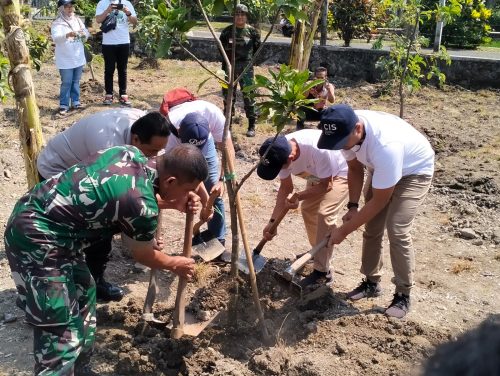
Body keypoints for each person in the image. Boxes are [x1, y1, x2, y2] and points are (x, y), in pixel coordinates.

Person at [5, 144, 207, 375]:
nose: (188, 195)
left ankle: (81, 369)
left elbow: (122, 198)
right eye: (187, 190)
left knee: (84, 290)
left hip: (46, 224)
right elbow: (142, 253)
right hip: (38, 239)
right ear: (170, 181)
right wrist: (176, 263)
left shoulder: (129, 153)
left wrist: (172, 203)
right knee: (60, 330)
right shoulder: (141, 205)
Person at [37, 108, 170, 302]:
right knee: (90, 229)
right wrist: (143, 240)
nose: (154, 157)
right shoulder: (107, 143)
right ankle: (60, 291)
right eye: (152, 151)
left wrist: (145, 235)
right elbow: (122, 201)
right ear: (136, 140)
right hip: (58, 170)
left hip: (86, 174)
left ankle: (94, 281)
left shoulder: (148, 124)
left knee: (100, 230)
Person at [317, 104, 435, 318]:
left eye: (342, 143)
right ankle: (371, 282)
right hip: (380, 168)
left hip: (414, 171)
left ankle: (403, 294)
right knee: (372, 227)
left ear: (358, 130)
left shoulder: (385, 146)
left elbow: (380, 201)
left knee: (397, 229)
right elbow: (354, 168)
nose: (340, 147)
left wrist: (343, 230)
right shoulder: (344, 128)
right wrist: (353, 206)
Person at [257, 130, 348, 288]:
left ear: (290, 158)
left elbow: (327, 185)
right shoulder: (279, 149)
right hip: (317, 175)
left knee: (324, 214)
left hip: (340, 173)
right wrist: (272, 222)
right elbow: (285, 189)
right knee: (308, 210)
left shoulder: (318, 149)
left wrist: (299, 196)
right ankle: (318, 252)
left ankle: (323, 272)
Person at [162, 99, 236, 249]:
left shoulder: (213, 115)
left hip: (204, 139)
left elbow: (228, 150)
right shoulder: (168, 134)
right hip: (178, 144)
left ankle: (217, 243)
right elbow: (178, 177)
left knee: (214, 190)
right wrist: (184, 197)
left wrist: (221, 181)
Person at [219, 3, 261, 137]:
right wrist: (228, 63)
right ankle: (228, 125)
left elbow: (257, 49)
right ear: (233, 16)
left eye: (242, 14)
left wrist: (249, 62)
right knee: (228, 96)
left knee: (249, 95)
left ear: (246, 16)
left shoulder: (253, 32)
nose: (240, 17)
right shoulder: (227, 31)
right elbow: (221, 49)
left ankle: (252, 125)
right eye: (237, 14)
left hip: (246, 67)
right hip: (229, 67)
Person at [51, 0, 90, 116]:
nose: (70, 9)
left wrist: (84, 35)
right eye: (67, 7)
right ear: (61, 9)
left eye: (71, 6)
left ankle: (75, 102)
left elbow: (86, 33)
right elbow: (56, 38)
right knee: (66, 82)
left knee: (76, 81)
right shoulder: (57, 23)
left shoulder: (77, 20)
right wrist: (67, 35)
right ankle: (64, 105)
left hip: (78, 56)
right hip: (65, 58)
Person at [95, 0, 137, 106]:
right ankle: (109, 94)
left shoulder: (126, 2)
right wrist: (107, 11)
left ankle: (123, 94)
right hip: (108, 43)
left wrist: (128, 12)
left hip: (123, 41)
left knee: (122, 69)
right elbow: (98, 20)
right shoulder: (102, 3)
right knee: (109, 69)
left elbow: (134, 22)